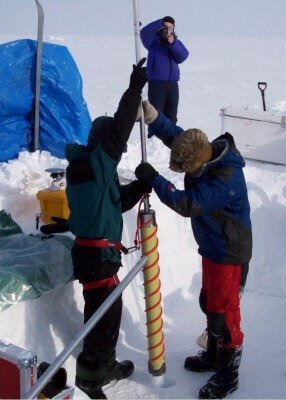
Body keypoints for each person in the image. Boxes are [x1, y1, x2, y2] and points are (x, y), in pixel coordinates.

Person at [134, 101, 252, 399]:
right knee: (210, 303)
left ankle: (228, 373)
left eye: (187, 169)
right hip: (213, 249)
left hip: (229, 254)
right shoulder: (202, 148)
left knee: (225, 314)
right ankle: (213, 355)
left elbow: (187, 203)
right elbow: (177, 136)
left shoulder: (226, 178)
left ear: (200, 163)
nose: (185, 172)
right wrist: (152, 117)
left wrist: (156, 180)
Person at [64, 59, 149, 399]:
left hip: (94, 252)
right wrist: (135, 88)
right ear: (104, 145)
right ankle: (89, 377)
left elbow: (113, 204)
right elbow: (120, 127)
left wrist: (138, 189)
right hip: (97, 257)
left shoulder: (87, 170)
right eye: (115, 148)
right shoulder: (97, 162)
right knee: (103, 320)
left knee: (106, 316)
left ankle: (105, 364)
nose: (119, 152)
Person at [140, 16, 189, 129]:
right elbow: (144, 33)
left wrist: (172, 43)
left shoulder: (176, 43)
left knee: (171, 116)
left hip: (172, 85)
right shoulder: (153, 42)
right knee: (155, 115)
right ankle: (154, 140)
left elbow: (183, 56)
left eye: (171, 28)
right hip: (157, 84)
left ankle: (170, 142)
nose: (168, 30)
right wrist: (160, 22)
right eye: (166, 27)